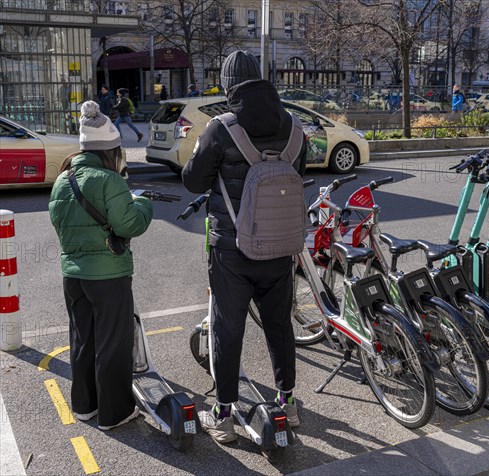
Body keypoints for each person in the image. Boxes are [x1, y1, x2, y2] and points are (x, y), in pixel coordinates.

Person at [182, 50, 307, 444]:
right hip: (281, 247)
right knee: (279, 325)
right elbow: (298, 176)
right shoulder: (294, 126)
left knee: (228, 328)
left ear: (228, 84)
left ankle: (222, 416)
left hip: (232, 250)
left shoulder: (220, 128)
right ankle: (287, 403)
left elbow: (193, 182)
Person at [48, 100, 153, 431]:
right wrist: (144, 203)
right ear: (110, 149)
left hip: (73, 276)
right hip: (109, 276)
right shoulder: (109, 180)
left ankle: (84, 406)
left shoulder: (63, 180)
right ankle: (115, 413)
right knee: (112, 343)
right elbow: (129, 225)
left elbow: (59, 221)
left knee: (83, 340)